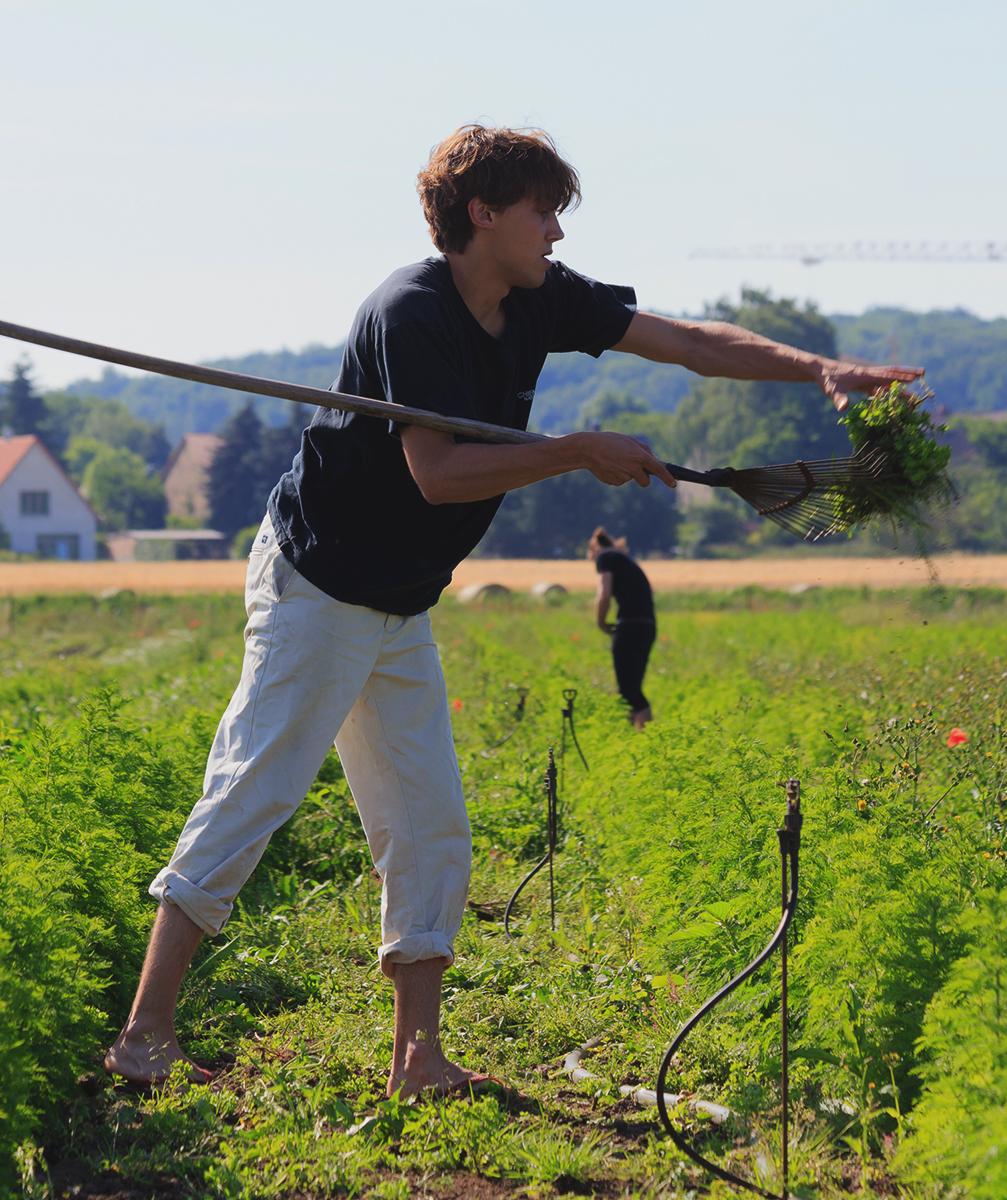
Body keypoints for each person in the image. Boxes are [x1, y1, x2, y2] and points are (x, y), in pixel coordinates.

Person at [103, 124, 921, 1098]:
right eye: (544, 212)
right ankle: (142, 1037)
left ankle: (417, 1059)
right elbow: (439, 472)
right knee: (256, 790)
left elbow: (693, 345)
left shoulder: (540, 299)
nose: (558, 235)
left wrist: (817, 370)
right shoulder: (410, 312)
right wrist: (577, 450)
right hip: (320, 583)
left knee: (432, 827)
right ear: (482, 213)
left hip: (401, 598)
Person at [590, 527, 656, 729]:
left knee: (629, 691)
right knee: (631, 688)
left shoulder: (605, 557)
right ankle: (632, 735)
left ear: (594, 548)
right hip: (647, 626)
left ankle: (645, 738)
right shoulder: (626, 561)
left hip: (629, 625)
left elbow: (604, 593)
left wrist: (601, 622)